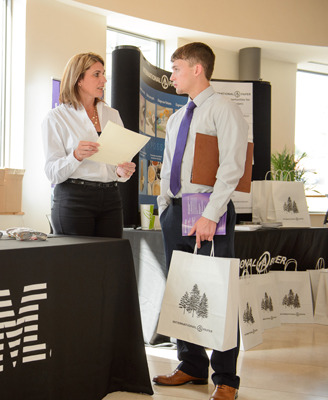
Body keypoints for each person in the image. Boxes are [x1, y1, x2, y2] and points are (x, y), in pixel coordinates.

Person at [154, 43, 248, 400]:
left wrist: (212, 214)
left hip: (211, 210)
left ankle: (226, 378)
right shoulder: (177, 118)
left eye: (176, 68)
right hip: (176, 211)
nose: (171, 75)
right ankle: (191, 365)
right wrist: (165, 206)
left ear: (197, 69)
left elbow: (233, 165)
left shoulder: (223, 109)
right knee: (180, 290)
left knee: (218, 291)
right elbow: (166, 167)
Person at [42, 52, 136, 238]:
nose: (104, 80)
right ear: (78, 79)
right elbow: (52, 172)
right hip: (74, 199)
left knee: (109, 261)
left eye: (103, 73)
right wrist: (75, 156)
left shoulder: (112, 115)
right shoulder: (56, 118)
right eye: (96, 74)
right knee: (78, 263)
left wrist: (121, 172)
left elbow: (115, 167)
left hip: (111, 198)